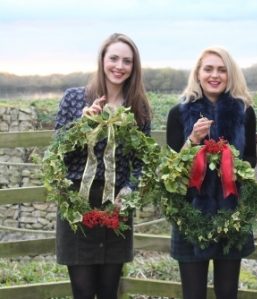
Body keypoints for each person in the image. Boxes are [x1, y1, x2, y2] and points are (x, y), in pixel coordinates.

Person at [54, 33, 152, 299]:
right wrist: (82, 125)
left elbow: (144, 163)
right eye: (114, 58)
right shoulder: (74, 99)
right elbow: (56, 154)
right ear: (102, 60)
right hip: (77, 205)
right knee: (83, 293)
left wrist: (131, 190)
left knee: (109, 292)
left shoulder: (138, 106)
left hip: (116, 204)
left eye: (127, 61)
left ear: (134, 67)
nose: (119, 66)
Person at [166, 46, 257, 299]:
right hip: (190, 213)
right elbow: (171, 168)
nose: (214, 75)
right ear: (198, 73)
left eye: (222, 70)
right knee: (193, 294)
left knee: (227, 293)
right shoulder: (178, 113)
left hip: (232, 213)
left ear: (230, 75)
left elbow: (251, 157)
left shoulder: (245, 112)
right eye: (208, 69)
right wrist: (193, 139)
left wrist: (234, 165)